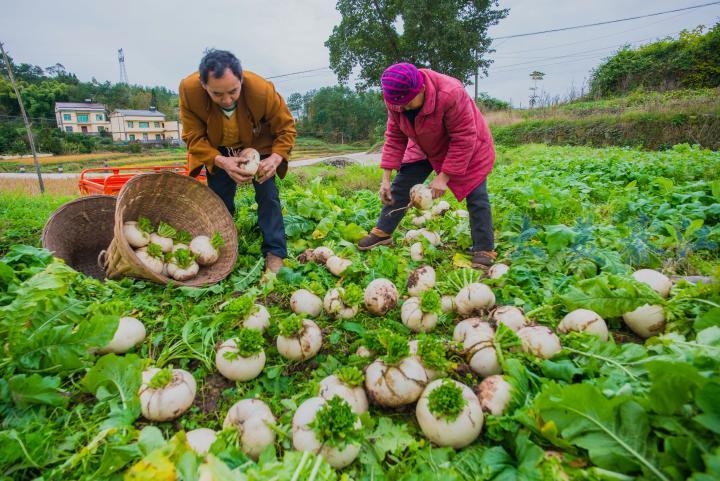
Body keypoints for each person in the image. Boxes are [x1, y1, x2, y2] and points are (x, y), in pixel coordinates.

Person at [357, 63, 497, 270]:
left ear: (421, 89)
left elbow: (464, 138)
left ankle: (484, 248)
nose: (402, 108)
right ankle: (383, 232)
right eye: (398, 105)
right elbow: (395, 138)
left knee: (476, 195)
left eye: (407, 103)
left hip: (469, 145)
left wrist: (443, 177)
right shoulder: (395, 101)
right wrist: (385, 178)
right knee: (402, 183)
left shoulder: (451, 93)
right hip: (424, 143)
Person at [179, 49, 296, 273]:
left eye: (233, 92)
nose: (227, 100)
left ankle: (275, 251)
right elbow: (193, 137)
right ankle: (221, 247)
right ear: (204, 86)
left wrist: (275, 157)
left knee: (268, 194)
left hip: (257, 142)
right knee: (219, 198)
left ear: (241, 79)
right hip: (217, 147)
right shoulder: (189, 91)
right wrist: (222, 162)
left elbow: (286, 128)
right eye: (217, 95)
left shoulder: (261, 90)